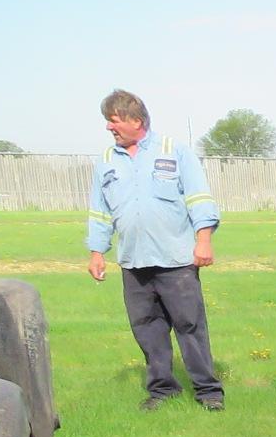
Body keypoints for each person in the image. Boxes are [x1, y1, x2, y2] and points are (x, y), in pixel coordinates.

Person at [86, 88, 224, 412]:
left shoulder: (174, 151)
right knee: (147, 330)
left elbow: (199, 198)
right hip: (134, 263)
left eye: (114, 121)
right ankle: (163, 390)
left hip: (176, 259)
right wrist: (96, 252)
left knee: (190, 326)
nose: (109, 127)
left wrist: (203, 240)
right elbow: (100, 211)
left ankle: (208, 391)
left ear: (137, 120)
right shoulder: (106, 162)